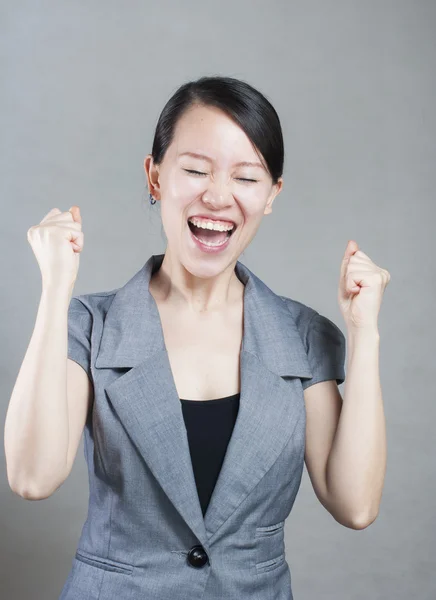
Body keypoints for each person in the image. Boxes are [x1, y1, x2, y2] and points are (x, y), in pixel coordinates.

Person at [7, 75, 371, 600]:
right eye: (196, 170)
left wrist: (366, 332)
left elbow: (354, 504)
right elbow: (31, 478)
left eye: (247, 178)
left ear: (272, 195)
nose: (218, 195)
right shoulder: (90, 326)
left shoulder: (303, 336)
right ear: (154, 177)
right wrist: (55, 290)